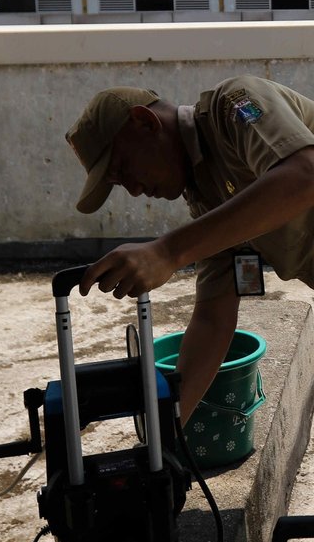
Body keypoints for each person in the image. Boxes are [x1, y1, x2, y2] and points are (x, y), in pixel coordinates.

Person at [65, 75, 314, 424]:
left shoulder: (236, 103)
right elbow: (213, 316)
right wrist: (169, 429)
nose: (134, 190)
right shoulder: (206, 200)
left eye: (123, 169)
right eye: (120, 185)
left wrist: (168, 251)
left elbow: (305, 176)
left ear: (145, 122)